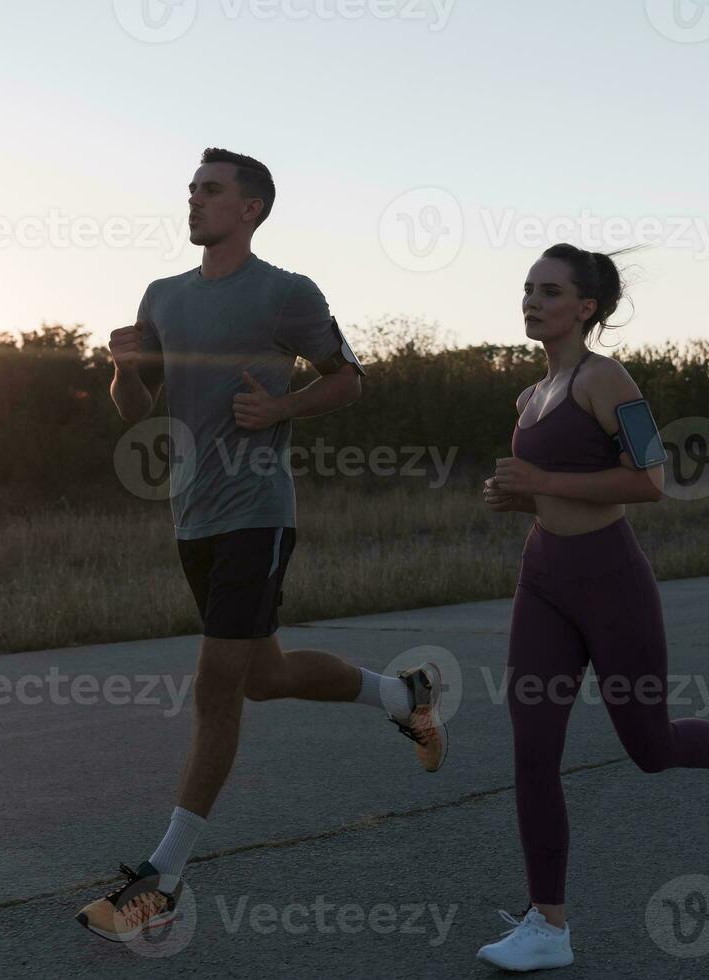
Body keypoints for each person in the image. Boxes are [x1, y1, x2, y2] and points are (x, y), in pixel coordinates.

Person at [75, 148, 448, 944]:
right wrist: (123, 369)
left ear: (250, 208)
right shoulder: (162, 296)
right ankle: (403, 695)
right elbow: (134, 410)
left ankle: (163, 880)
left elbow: (348, 379)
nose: (195, 200)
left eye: (210, 191)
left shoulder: (286, 293)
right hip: (193, 516)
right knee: (267, 676)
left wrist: (281, 411)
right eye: (192, 190)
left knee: (217, 687)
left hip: (256, 511)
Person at [475, 244, 709, 971]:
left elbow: (651, 479)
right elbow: (550, 488)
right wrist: (517, 497)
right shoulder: (528, 397)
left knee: (648, 748)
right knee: (532, 751)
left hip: (611, 581)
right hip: (542, 578)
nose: (531, 300)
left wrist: (542, 476)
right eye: (527, 288)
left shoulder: (607, 378)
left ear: (585, 308)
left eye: (548, 291)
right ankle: (549, 926)